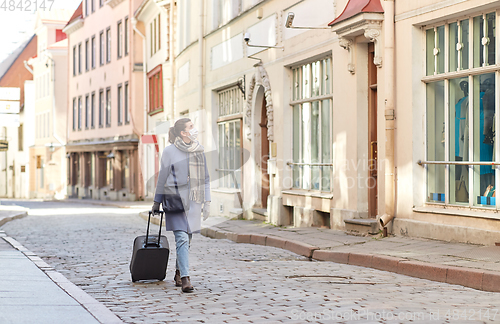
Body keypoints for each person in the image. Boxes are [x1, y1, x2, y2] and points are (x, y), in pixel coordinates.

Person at [152, 118, 211, 293]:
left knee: (188, 240)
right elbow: (162, 176)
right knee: (182, 239)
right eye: (191, 127)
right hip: (175, 200)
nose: (194, 129)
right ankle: (186, 279)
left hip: (194, 200)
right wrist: (157, 201)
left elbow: (206, 178)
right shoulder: (169, 151)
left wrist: (207, 201)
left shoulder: (199, 151)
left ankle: (178, 271)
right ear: (183, 133)